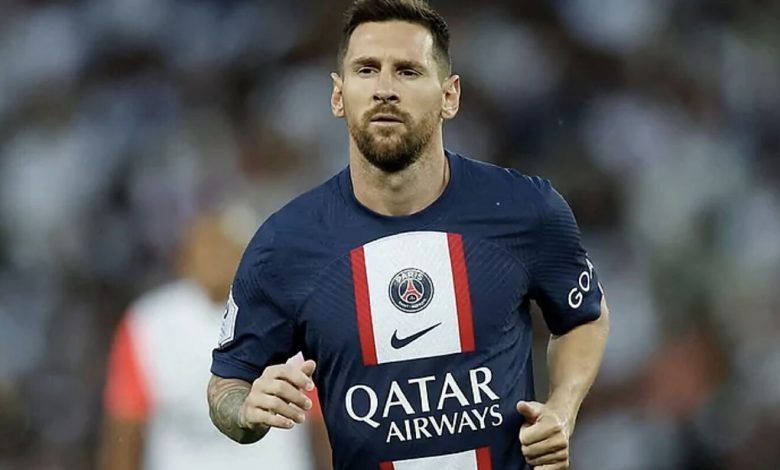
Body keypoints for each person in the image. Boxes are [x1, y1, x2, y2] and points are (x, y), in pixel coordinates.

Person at [207, 1, 610, 469]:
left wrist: (562, 409)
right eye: (366, 70)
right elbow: (226, 385)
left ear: (449, 96)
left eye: (408, 71)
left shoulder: (524, 209)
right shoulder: (286, 245)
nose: (384, 89)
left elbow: (584, 317)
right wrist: (247, 410)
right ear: (338, 96)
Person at [99, 210, 329, 470]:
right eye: (205, 248)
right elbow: (125, 426)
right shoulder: (148, 323)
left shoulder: (293, 314)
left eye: (224, 247)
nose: (214, 258)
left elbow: (323, 422)